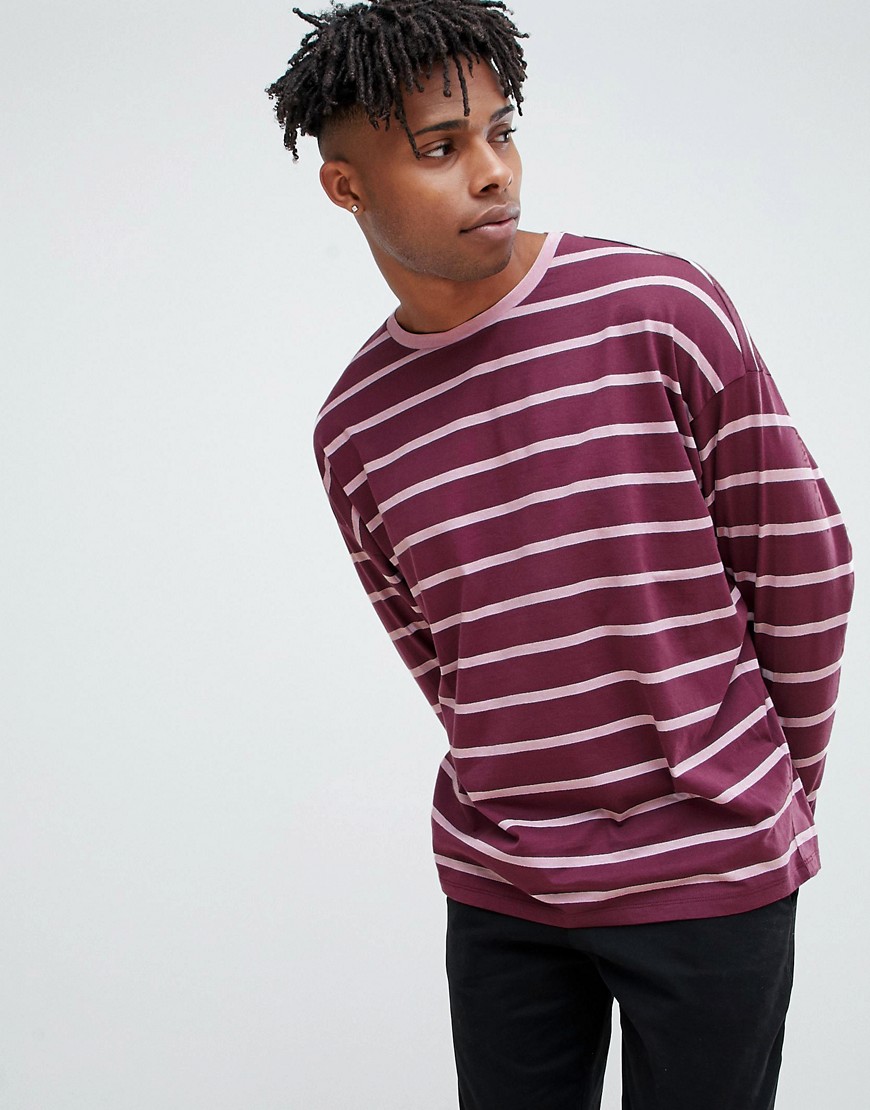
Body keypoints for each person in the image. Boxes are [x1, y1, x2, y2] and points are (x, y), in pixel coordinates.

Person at [266, 3, 854, 1107]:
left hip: (709, 873)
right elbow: (441, 657)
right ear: (346, 187)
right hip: (503, 888)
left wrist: (771, 789)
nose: (493, 171)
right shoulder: (355, 427)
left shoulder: (658, 310)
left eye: (502, 130)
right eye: (441, 148)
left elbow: (804, 562)